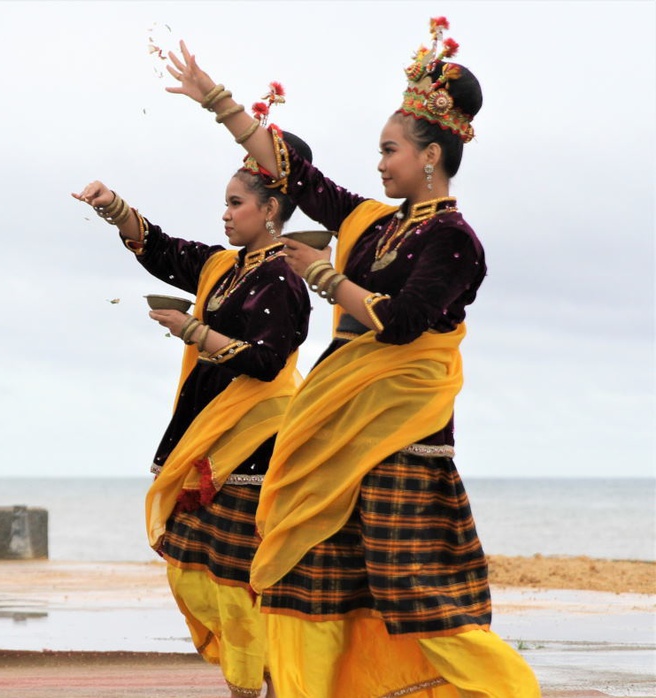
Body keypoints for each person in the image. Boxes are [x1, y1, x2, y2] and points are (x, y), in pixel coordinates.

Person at [163, 19, 540, 697]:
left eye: (390, 150)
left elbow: (401, 325)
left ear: (431, 155)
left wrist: (325, 277)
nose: (380, 163)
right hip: (329, 438)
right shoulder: (372, 221)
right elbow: (295, 175)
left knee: (418, 600)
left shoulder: (455, 240)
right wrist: (217, 102)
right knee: (306, 584)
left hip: (399, 443)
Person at [74, 103, 312, 697]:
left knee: (235, 583)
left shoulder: (282, 278)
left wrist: (194, 333)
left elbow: (266, 360)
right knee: (190, 568)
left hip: (254, 444)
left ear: (272, 210)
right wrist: (113, 207)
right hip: (206, 435)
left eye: (237, 203)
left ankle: (256, 686)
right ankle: (263, 675)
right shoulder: (221, 268)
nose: (226, 213)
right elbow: (161, 249)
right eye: (226, 203)